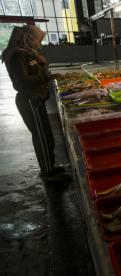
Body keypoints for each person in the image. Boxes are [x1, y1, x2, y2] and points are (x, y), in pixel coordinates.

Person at [2, 25, 68, 182]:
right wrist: (47, 78)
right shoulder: (18, 56)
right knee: (42, 137)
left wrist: (44, 70)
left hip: (36, 99)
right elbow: (20, 83)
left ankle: (50, 166)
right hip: (30, 100)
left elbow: (36, 72)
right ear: (28, 38)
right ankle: (48, 173)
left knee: (46, 135)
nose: (40, 42)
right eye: (39, 39)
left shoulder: (28, 53)